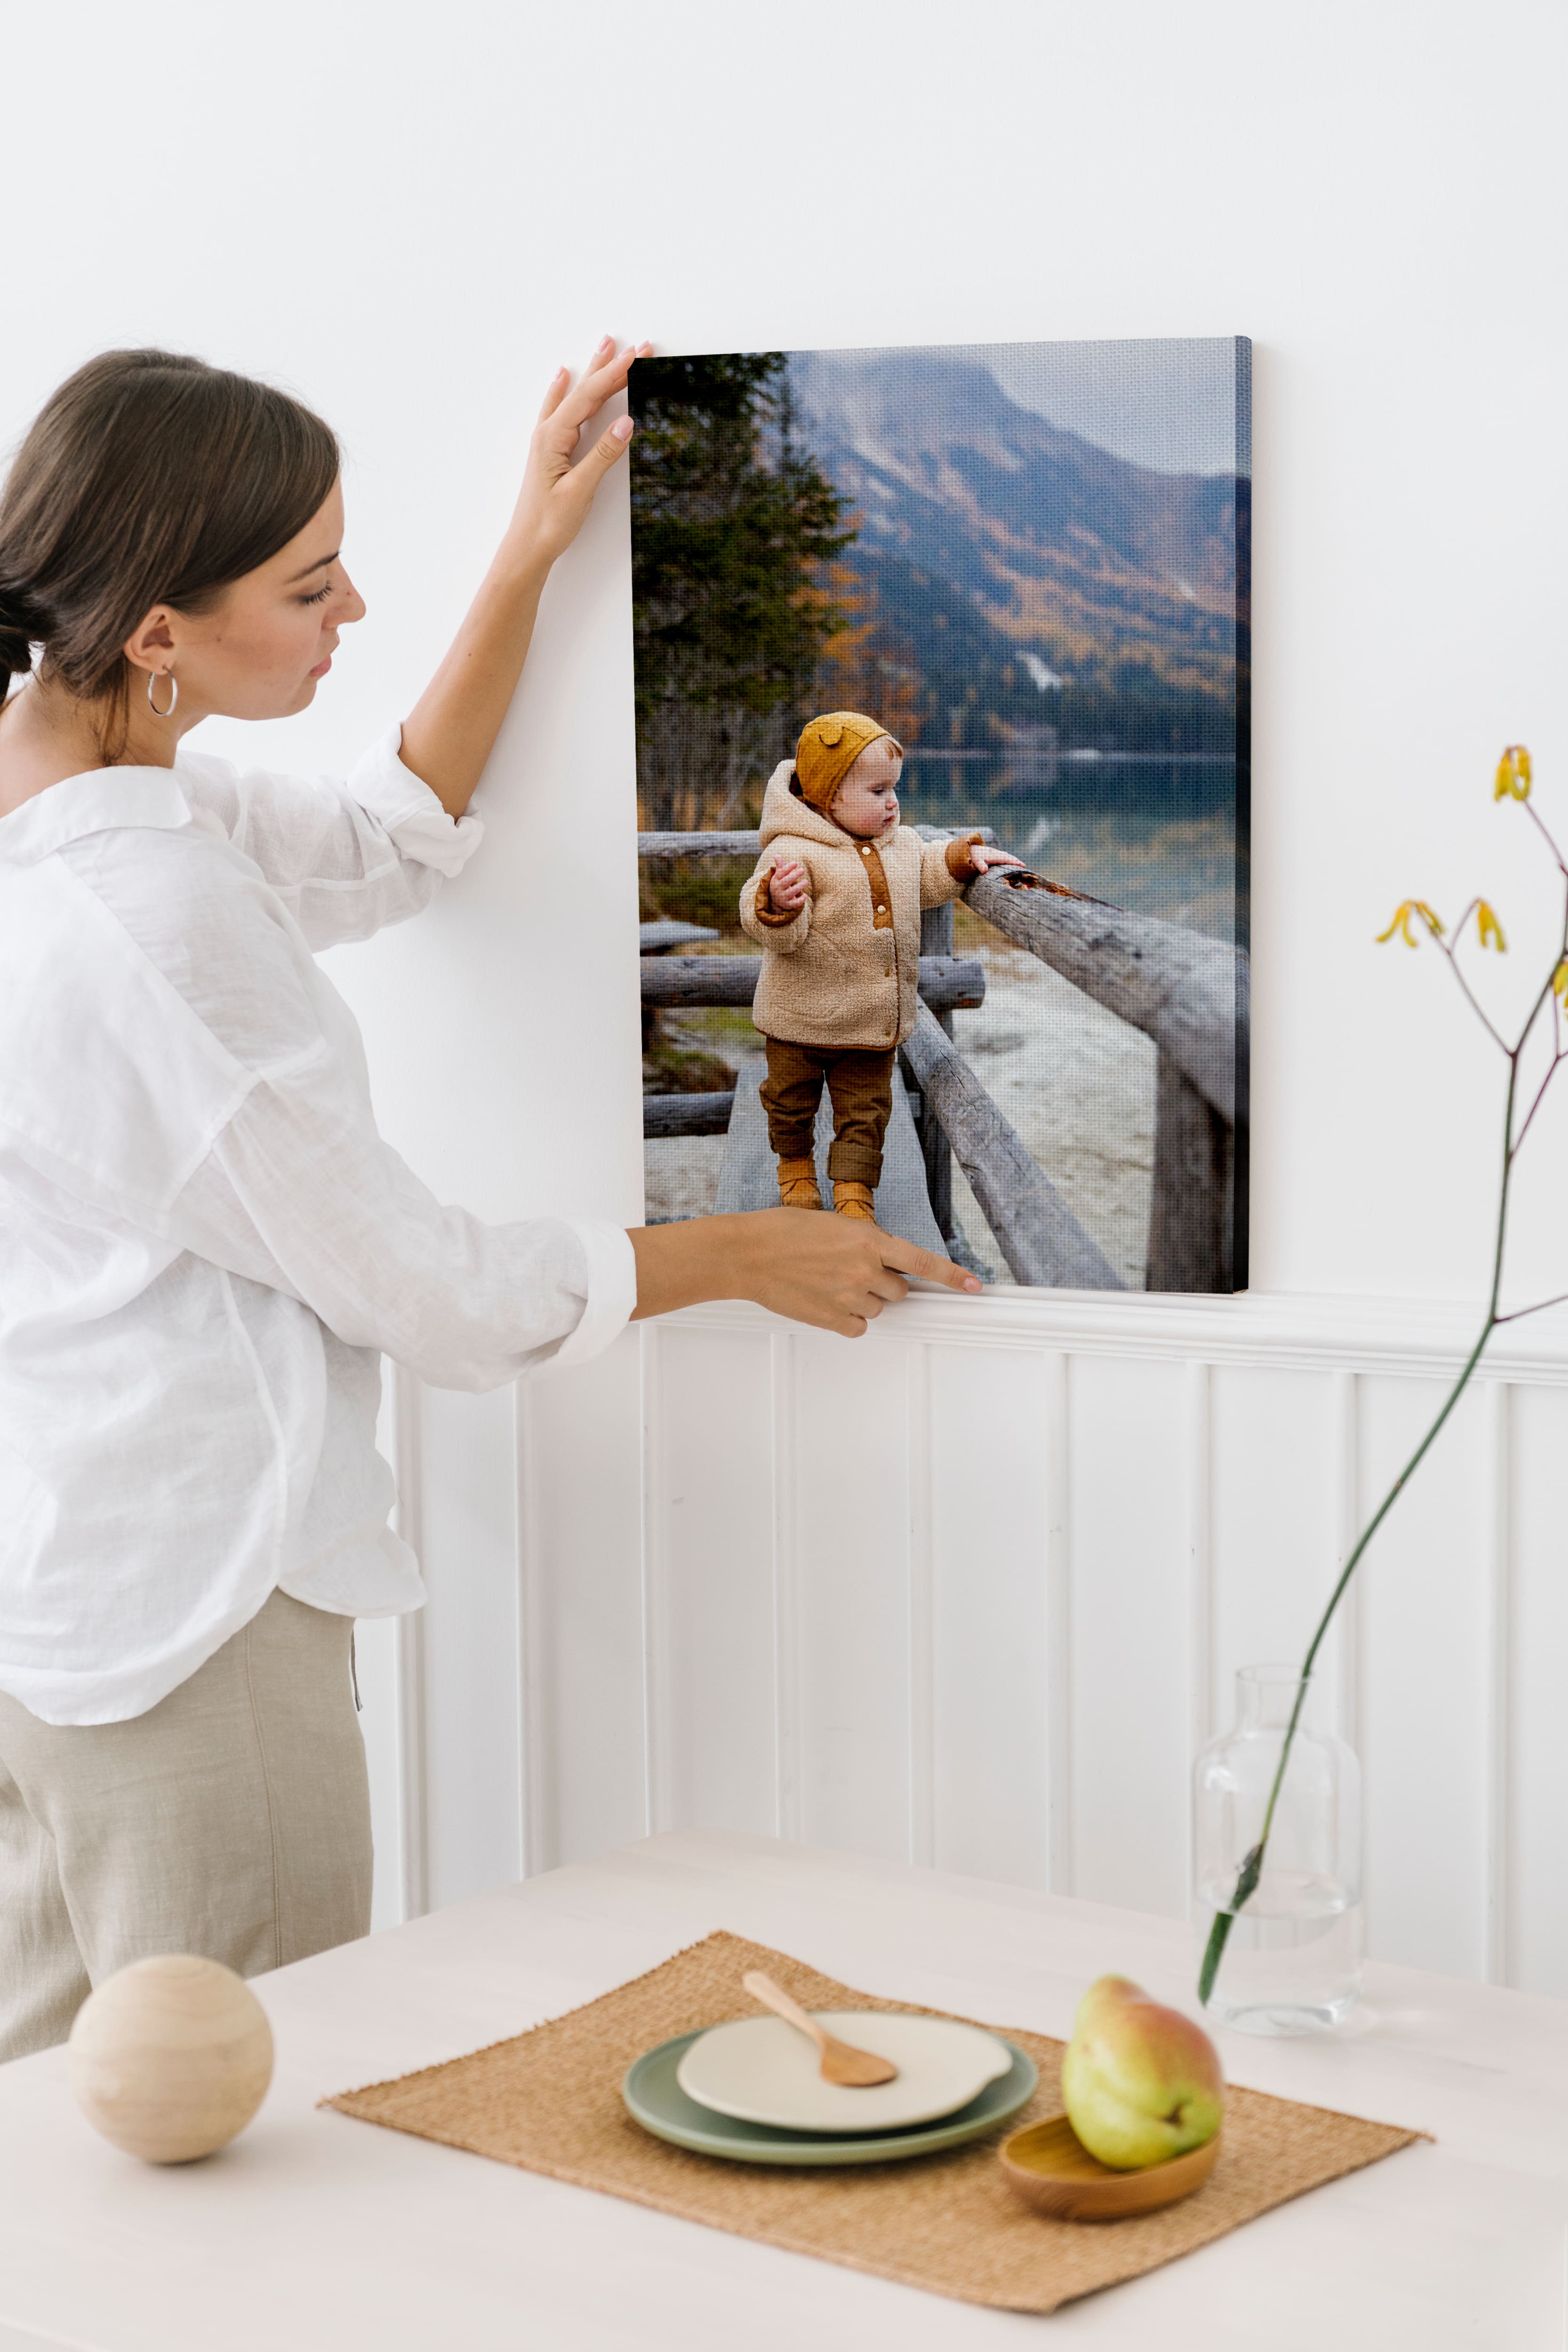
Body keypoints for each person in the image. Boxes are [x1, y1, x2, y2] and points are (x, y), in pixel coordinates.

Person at [0, 343, 981, 2063]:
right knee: (248, 2147)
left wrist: (529, 554)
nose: (352, 601)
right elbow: (427, 1288)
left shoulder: (77, 782)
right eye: (310, 583)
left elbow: (388, 836)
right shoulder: (146, 924)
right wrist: (750, 1247)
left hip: (51, 1598)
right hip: (188, 1639)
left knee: (47, 2170)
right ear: (155, 629)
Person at [739, 711, 1021, 1215]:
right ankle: (796, 1168)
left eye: (894, 787)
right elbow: (768, 926)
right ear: (829, 798)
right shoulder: (792, 851)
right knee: (789, 1102)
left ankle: (853, 1191)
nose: (892, 802)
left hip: (870, 1023)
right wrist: (778, 904)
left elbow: (929, 873)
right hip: (797, 1022)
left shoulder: (901, 844)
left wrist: (964, 857)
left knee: (865, 1113)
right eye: (877, 791)